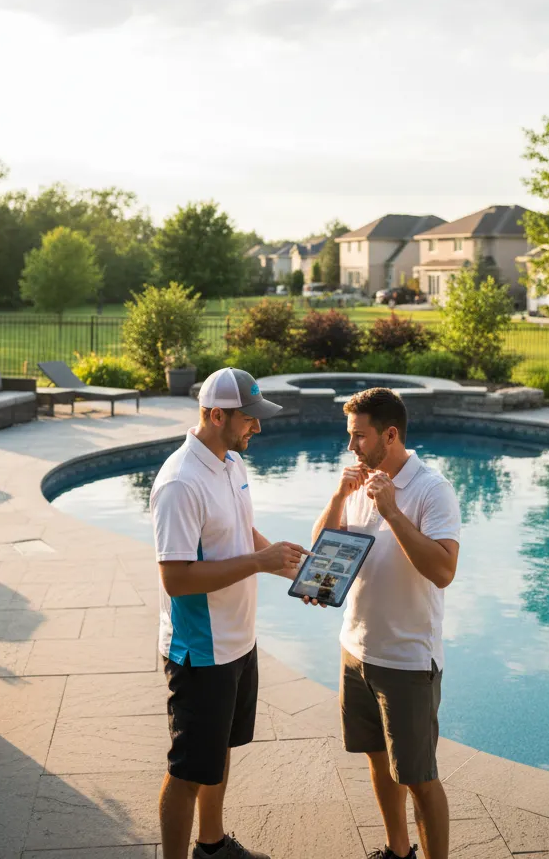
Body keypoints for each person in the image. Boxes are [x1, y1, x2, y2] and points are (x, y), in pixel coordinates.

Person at [150, 367, 310, 859]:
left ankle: (212, 845)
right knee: (188, 769)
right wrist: (259, 562)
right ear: (216, 414)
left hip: (238, 640)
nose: (256, 427)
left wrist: (288, 569)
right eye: (249, 419)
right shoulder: (180, 482)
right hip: (201, 650)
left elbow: (242, 532)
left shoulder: (230, 463)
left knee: (217, 754)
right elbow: (175, 579)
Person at [308, 388, 461, 859]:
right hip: (356, 649)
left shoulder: (432, 490)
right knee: (377, 758)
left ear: (389, 435)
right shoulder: (358, 483)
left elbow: (442, 571)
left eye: (359, 436)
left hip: (406, 659)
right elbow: (321, 553)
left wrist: (392, 510)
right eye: (349, 435)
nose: (351, 446)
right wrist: (339, 495)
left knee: (418, 777)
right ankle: (398, 851)